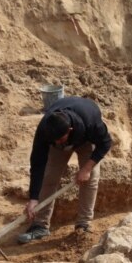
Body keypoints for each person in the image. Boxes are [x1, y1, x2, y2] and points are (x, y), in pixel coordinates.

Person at [18, 96, 112, 244]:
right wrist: (33, 198)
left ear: (70, 130)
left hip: (87, 139)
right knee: (49, 177)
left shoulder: (91, 121)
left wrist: (86, 169)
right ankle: (40, 226)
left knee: (91, 178)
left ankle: (83, 225)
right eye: (54, 140)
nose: (57, 142)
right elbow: (37, 163)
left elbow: (106, 143)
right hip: (60, 143)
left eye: (60, 139)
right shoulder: (46, 129)